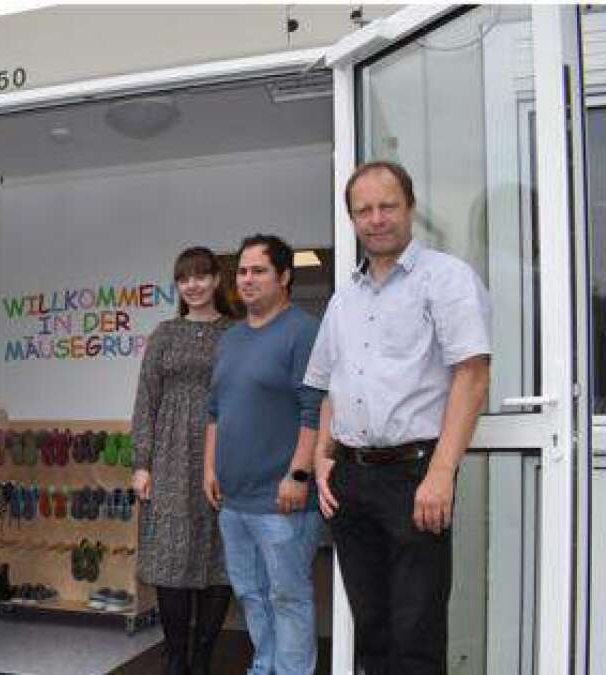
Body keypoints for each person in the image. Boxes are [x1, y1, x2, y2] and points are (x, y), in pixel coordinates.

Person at [305, 161, 491, 675]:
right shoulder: (344, 299)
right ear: (352, 219)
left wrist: (441, 472)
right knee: (372, 630)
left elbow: (473, 375)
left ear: (410, 208)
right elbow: (331, 384)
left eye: (387, 206)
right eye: (363, 210)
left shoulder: (446, 278)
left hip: (415, 476)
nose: (376, 219)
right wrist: (322, 457)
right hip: (350, 480)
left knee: (416, 632)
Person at [204, 234, 323, 675]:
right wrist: (209, 468)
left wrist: (299, 474)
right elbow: (214, 410)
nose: (247, 279)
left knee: (288, 596)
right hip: (233, 499)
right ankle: (264, 665)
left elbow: (315, 409)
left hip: (281, 499)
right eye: (242, 271)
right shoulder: (231, 338)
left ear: (285, 276)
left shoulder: (303, 331)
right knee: (251, 594)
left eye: (259, 270)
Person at [131, 247, 235, 675]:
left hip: (222, 453)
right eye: (184, 278)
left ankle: (203, 660)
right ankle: (175, 658)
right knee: (168, 556)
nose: (193, 285)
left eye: (201, 276)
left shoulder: (235, 333)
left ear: (216, 280)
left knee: (217, 557)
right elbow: (146, 400)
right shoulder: (164, 334)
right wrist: (142, 463)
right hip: (169, 456)